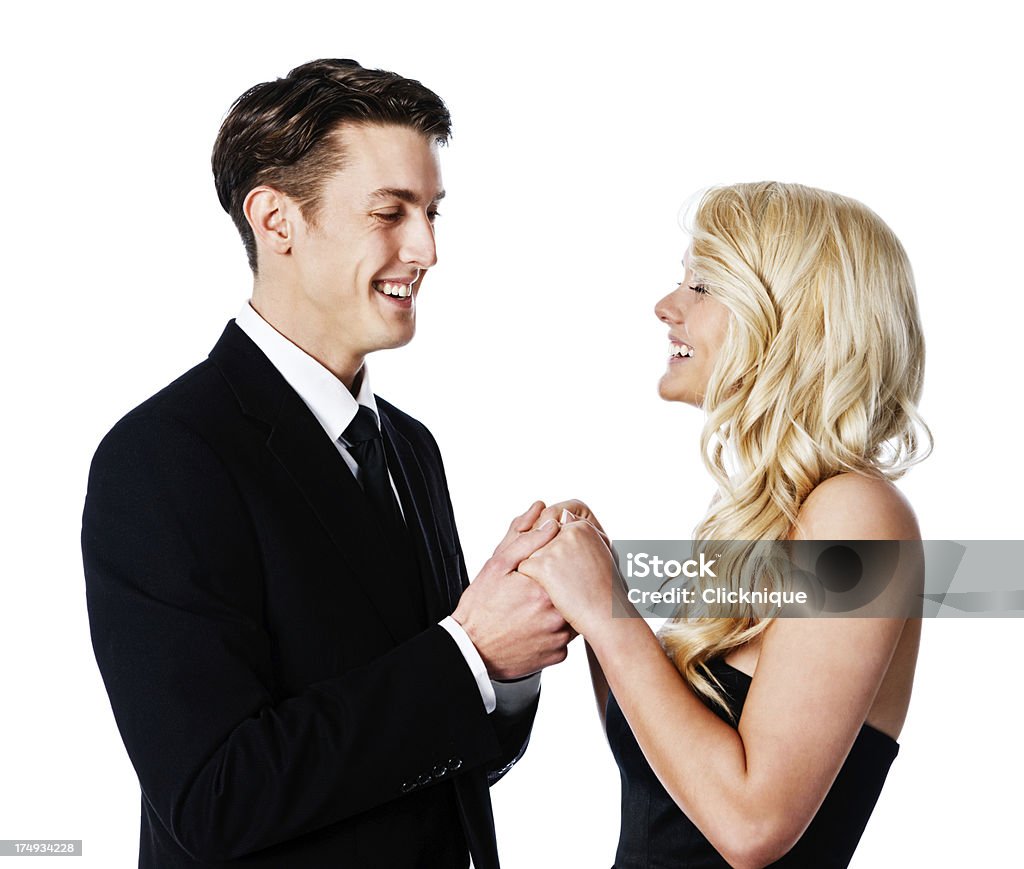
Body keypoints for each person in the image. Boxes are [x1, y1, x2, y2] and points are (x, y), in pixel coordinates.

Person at [81, 59, 573, 869]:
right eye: (392, 211)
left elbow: (452, 762)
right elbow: (214, 797)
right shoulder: (163, 458)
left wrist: (511, 662)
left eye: (433, 211)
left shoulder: (410, 448)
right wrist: (470, 650)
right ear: (276, 219)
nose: (428, 248)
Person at [519, 182, 928, 868]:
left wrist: (610, 619)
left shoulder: (859, 516)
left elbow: (749, 824)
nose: (666, 306)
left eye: (704, 284)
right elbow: (671, 794)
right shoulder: (782, 521)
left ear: (795, 317)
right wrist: (598, 596)